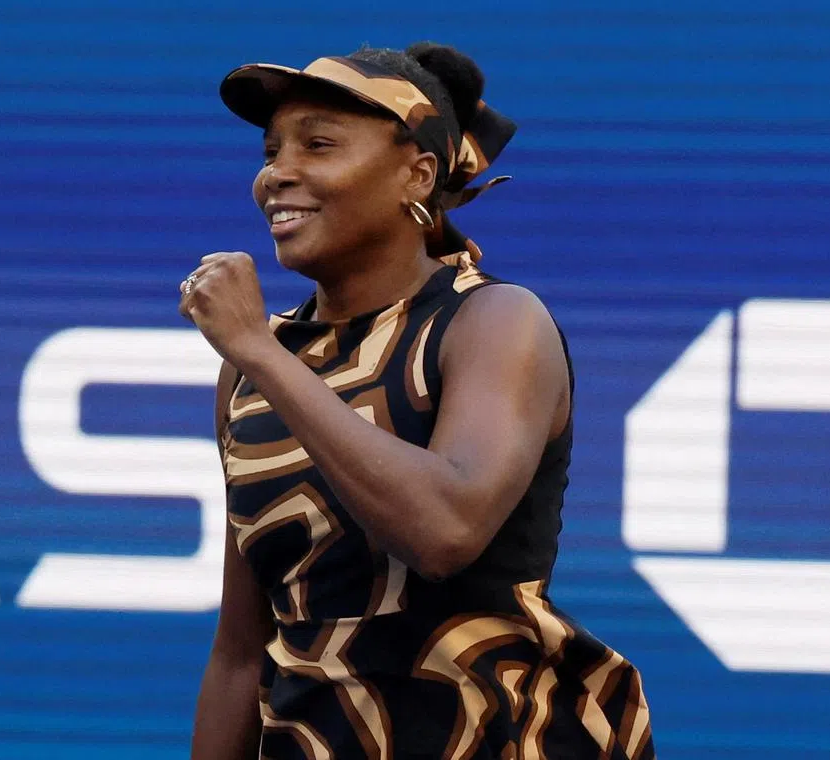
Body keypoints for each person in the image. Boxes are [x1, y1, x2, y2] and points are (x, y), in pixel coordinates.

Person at [182, 42, 655, 760]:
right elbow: (242, 652)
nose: (278, 174)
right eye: (271, 150)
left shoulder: (494, 322)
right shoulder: (258, 368)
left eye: (318, 145)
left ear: (418, 172)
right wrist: (260, 356)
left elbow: (444, 531)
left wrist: (257, 352)